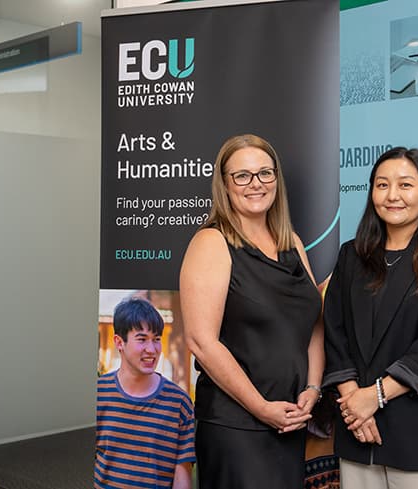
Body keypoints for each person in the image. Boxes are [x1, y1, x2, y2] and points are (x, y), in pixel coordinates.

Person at [178, 134, 324, 488]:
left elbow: (314, 325)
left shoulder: (292, 243)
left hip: (289, 421)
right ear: (225, 186)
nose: (255, 184)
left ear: (276, 178)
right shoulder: (211, 242)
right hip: (236, 426)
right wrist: (261, 408)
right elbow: (202, 342)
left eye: (264, 173)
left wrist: (313, 388)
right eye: (242, 176)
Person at [323, 147, 418, 489]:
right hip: (357, 431)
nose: (392, 195)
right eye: (382, 184)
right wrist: (353, 405)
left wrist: (372, 397)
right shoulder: (351, 256)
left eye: (405, 185)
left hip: (417, 435)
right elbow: (334, 330)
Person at [95, 297, 195, 489]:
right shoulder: (98, 394)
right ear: (119, 342)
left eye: (157, 339)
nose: (152, 349)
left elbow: (182, 475)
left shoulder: (179, 403)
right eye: (141, 339)